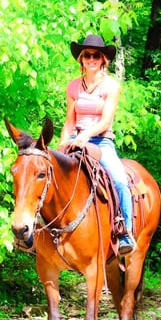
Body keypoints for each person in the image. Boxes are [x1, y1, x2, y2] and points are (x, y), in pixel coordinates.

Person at [58, 34, 135, 255]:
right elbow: (69, 121)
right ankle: (37, 232)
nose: (91, 59)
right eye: (87, 55)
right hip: (75, 139)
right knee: (46, 170)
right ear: (81, 59)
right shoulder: (73, 87)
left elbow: (105, 121)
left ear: (103, 59)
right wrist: (62, 144)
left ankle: (124, 232)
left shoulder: (111, 86)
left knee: (120, 181)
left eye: (96, 55)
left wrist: (86, 135)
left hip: (101, 141)